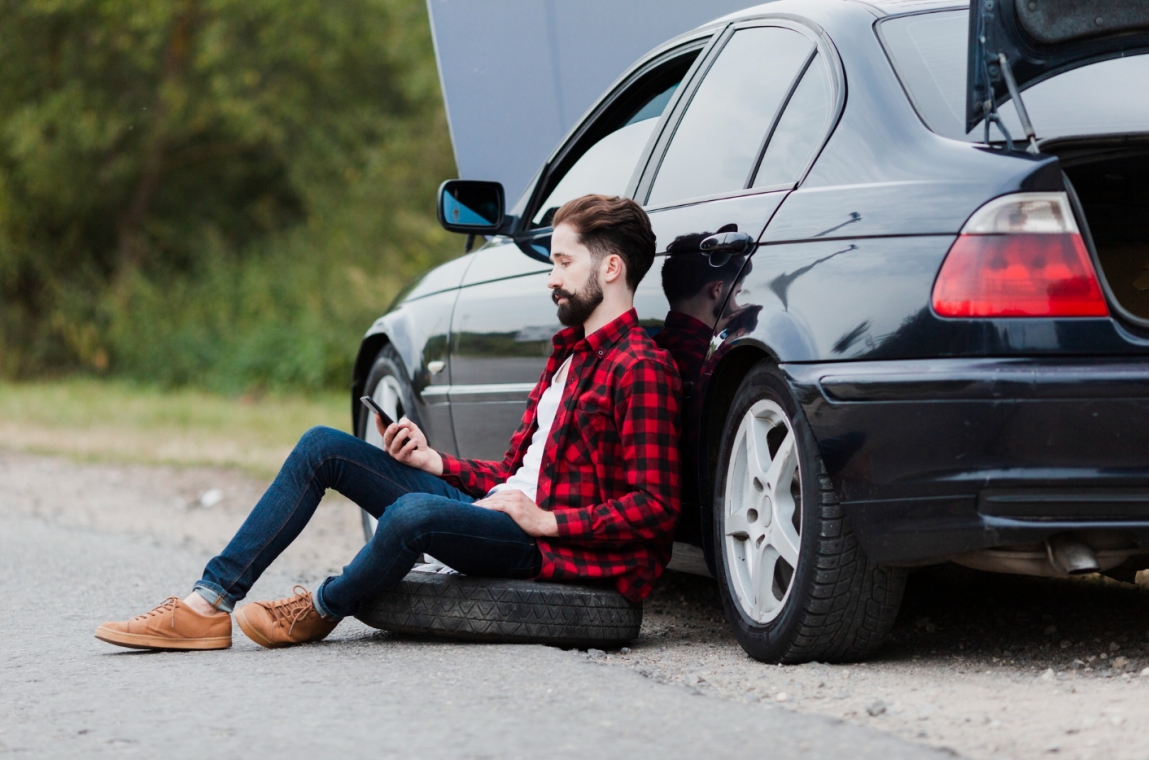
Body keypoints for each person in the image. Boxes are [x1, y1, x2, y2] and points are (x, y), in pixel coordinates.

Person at [95, 194, 682, 651]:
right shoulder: (568, 354)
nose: (551, 277)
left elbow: (656, 506)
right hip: (506, 515)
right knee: (323, 446)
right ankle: (206, 605)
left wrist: (549, 521)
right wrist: (435, 462)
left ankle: (320, 607)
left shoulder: (641, 368)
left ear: (609, 268)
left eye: (562, 262)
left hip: (543, 545)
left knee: (411, 515)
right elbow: (515, 474)